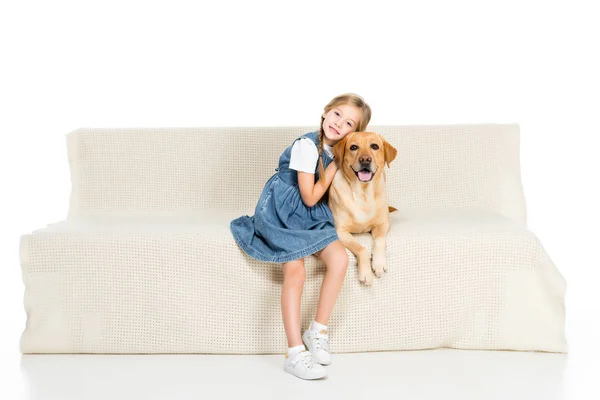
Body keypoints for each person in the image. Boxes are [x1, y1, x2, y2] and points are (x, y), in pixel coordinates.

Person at [230, 93, 372, 380]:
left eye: (347, 123)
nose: (338, 124)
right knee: (295, 271)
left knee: (339, 259)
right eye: (336, 115)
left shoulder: (344, 151)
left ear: (353, 132)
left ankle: (317, 330)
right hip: (284, 212)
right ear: (325, 112)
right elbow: (309, 197)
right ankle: (294, 352)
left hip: (312, 215)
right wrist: (333, 167)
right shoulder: (307, 146)